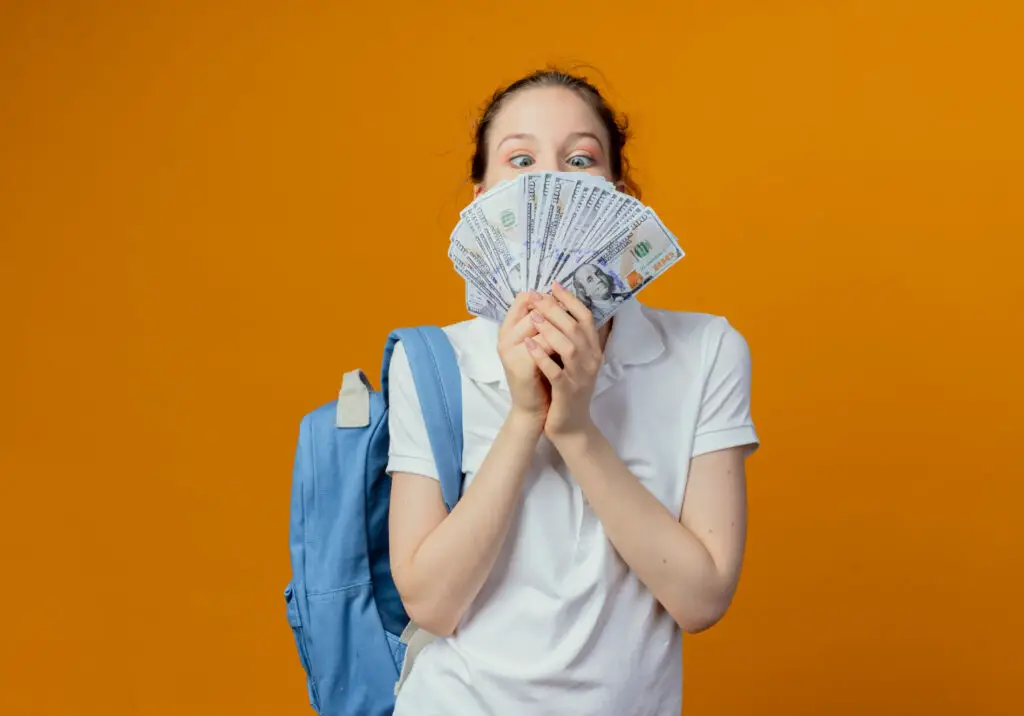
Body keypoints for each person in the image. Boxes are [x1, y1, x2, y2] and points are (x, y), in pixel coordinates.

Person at [386, 68, 759, 715]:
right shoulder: (435, 360)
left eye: (580, 158)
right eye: (521, 159)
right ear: (482, 201)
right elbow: (431, 604)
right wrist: (525, 416)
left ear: (621, 194)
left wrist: (577, 429)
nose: (549, 181)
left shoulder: (706, 352)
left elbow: (700, 600)